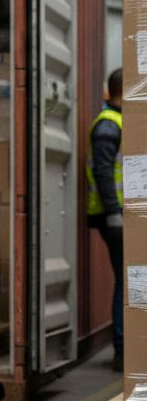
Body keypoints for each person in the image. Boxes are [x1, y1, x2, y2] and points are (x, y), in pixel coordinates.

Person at [87, 69, 123, 371]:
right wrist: (113, 213)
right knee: (127, 282)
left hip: (123, 215)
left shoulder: (122, 121)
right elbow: (103, 171)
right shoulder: (109, 126)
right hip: (115, 217)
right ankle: (124, 349)